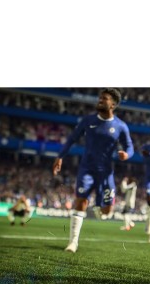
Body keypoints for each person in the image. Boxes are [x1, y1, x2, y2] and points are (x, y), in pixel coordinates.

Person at [52, 88, 134, 253]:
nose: (100, 100)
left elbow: (130, 147)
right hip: (87, 169)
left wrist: (126, 154)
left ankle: (100, 206)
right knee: (81, 201)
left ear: (113, 105)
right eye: (100, 98)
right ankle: (73, 242)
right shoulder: (88, 120)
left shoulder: (120, 126)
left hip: (106, 173)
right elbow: (72, 138)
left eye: (104, 99)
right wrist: (60, 156)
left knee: (106, 211)